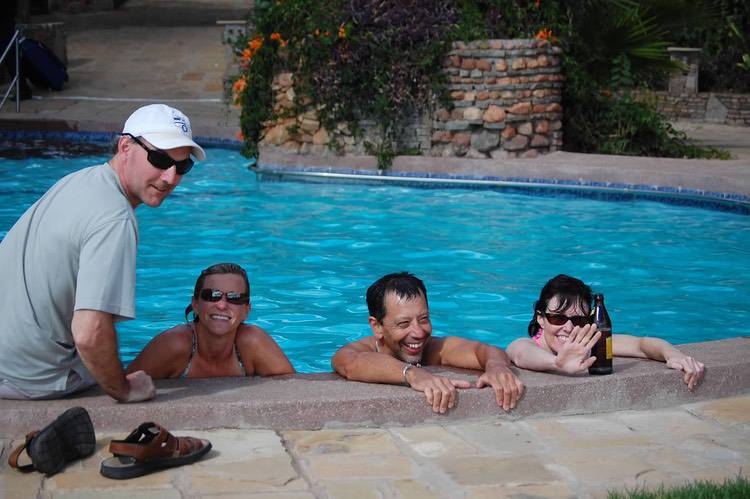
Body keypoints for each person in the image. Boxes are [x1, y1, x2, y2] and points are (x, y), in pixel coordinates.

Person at [0, 103, 206, 402]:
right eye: (160, 159)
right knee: (125, 370)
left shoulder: (79, 180)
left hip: (8, 358)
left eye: (183, 166)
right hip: (30, 377)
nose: (170, 177)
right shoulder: (115, 218)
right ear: (125, 146)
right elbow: (89, 333)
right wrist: (124, 390)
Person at [332, 272, 524, 413]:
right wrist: (413, 374)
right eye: (404, 323)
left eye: (423, 319)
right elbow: (349, 363)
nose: (418, 332)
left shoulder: (433, 348)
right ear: (377, 326)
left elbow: (484, 350)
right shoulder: (360, 350)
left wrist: (496, 367)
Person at [506, 274, 705, 390]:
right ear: (540, 319)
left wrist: (673, 355)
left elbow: (641, 344)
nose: (568, 327)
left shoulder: (591, 342)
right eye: (558, 318)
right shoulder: (529, 345)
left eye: (579, 320)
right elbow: (520, 353)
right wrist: (557, 363)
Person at [127, 263, 295, 378]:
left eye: (234, 298)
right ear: (195, 304)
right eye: (212, 296)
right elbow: (121, 389)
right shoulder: (175, 344)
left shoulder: (252, 343)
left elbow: (294, 390)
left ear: (246, 310)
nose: (222, 305)